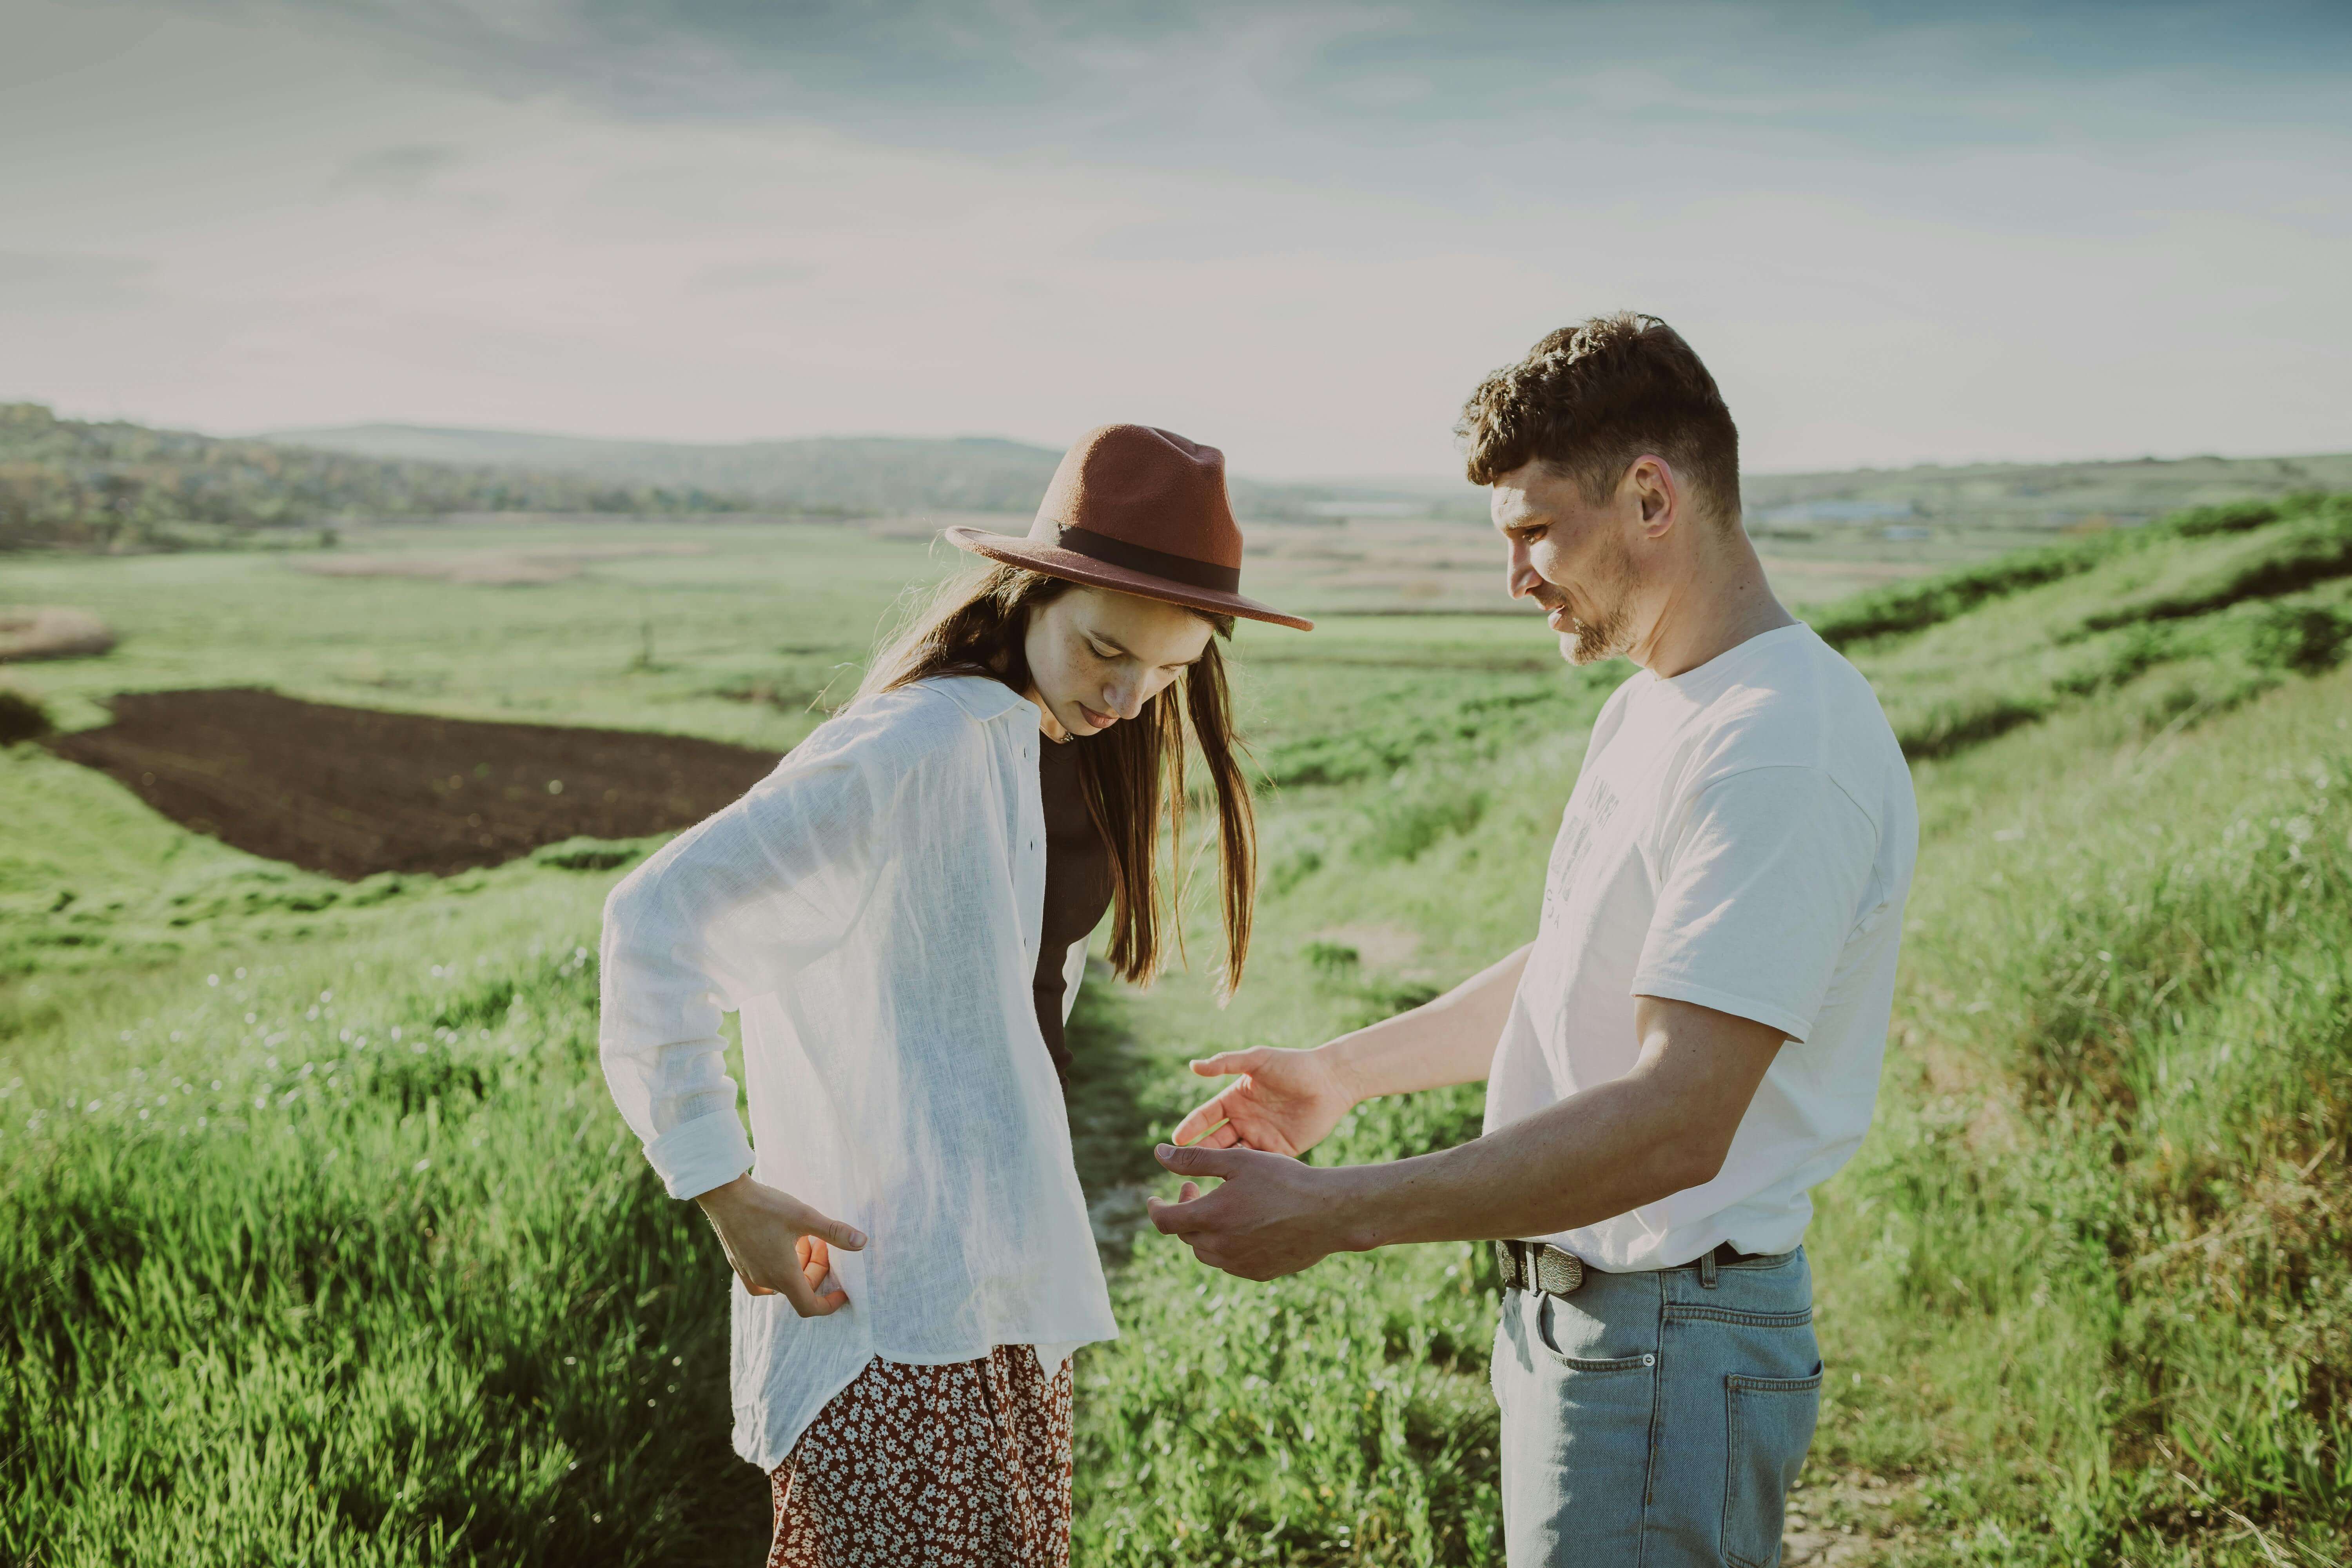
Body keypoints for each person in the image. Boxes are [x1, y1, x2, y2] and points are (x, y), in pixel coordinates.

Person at [1149, 314, 1919, 1567]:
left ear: (1651, 496)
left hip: (1664, 1343)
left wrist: (1340, 1214)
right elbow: (1581, 971)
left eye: (1534, 532)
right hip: (1596, 1329)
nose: (1515, 577)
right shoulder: (1659, 707)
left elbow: (1678, 1117)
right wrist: (1345, 1074)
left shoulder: (1781, 744)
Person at [597, 424, 1311, 1566]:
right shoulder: (919, 743)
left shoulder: (1050, 738)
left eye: (1169, 673)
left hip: (1000, 1287)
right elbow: (654, 922)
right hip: (897, 1304)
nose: (1130, 698)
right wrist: (721, 1184)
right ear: (1033, 593)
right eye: (1106, 654)